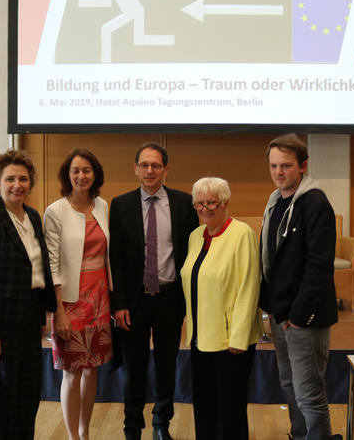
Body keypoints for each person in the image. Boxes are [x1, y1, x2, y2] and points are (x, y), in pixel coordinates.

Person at [109, 142, 199, 440]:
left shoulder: (184, 203)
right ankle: (132, 428)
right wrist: (118, 303)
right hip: (133, 302)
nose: (149, 170)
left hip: (170, 298)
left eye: (155, 165)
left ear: (166, 170)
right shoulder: (120, 205)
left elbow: (190, 252)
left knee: (165, 366)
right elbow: (116, 259)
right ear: (135, 169)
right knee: (133, 369)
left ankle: (162, 425)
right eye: (144, 165)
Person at [0, 149, 57, 440]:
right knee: (1, 402)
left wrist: (45, 312)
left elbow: (39, 266)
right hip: (1, 326)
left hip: (30, 319)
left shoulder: (32, 216)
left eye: (23, 178)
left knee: (27, 397)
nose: (17, 184)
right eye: (10, 179)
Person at [259, 134, 341, 440]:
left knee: (309, 391)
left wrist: (298, 314)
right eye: (274, 166)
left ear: (302, 166)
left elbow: (319, 266)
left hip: (304, 317)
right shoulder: (275, 202)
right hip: (281, 314)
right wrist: (270, 308)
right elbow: (270, 259)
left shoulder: (315, 202)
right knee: (289, 384)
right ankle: (299, 435)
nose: (279, 172)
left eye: (286, 166)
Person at [180, 177, 262, 440]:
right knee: (204, 406)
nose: (206, 208)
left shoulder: (242, 234)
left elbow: (248, 288)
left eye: (212, 202)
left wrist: (238, 336)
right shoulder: (195, 236)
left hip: (230, 342)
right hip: (200, 338)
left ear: (225, 202)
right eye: (200, 203)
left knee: (230, 410)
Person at [43, 148, 113, 440]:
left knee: (92, 370)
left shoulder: (102, 206)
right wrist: (57, 311)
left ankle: (85, 432)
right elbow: (52, 264)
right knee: (71, 371)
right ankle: (73, 436)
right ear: (67, 175)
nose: (81, 176)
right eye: (76, 171)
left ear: (94, 174)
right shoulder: (55, 211)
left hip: (100, 299)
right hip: (69, 302)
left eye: (87, 170)